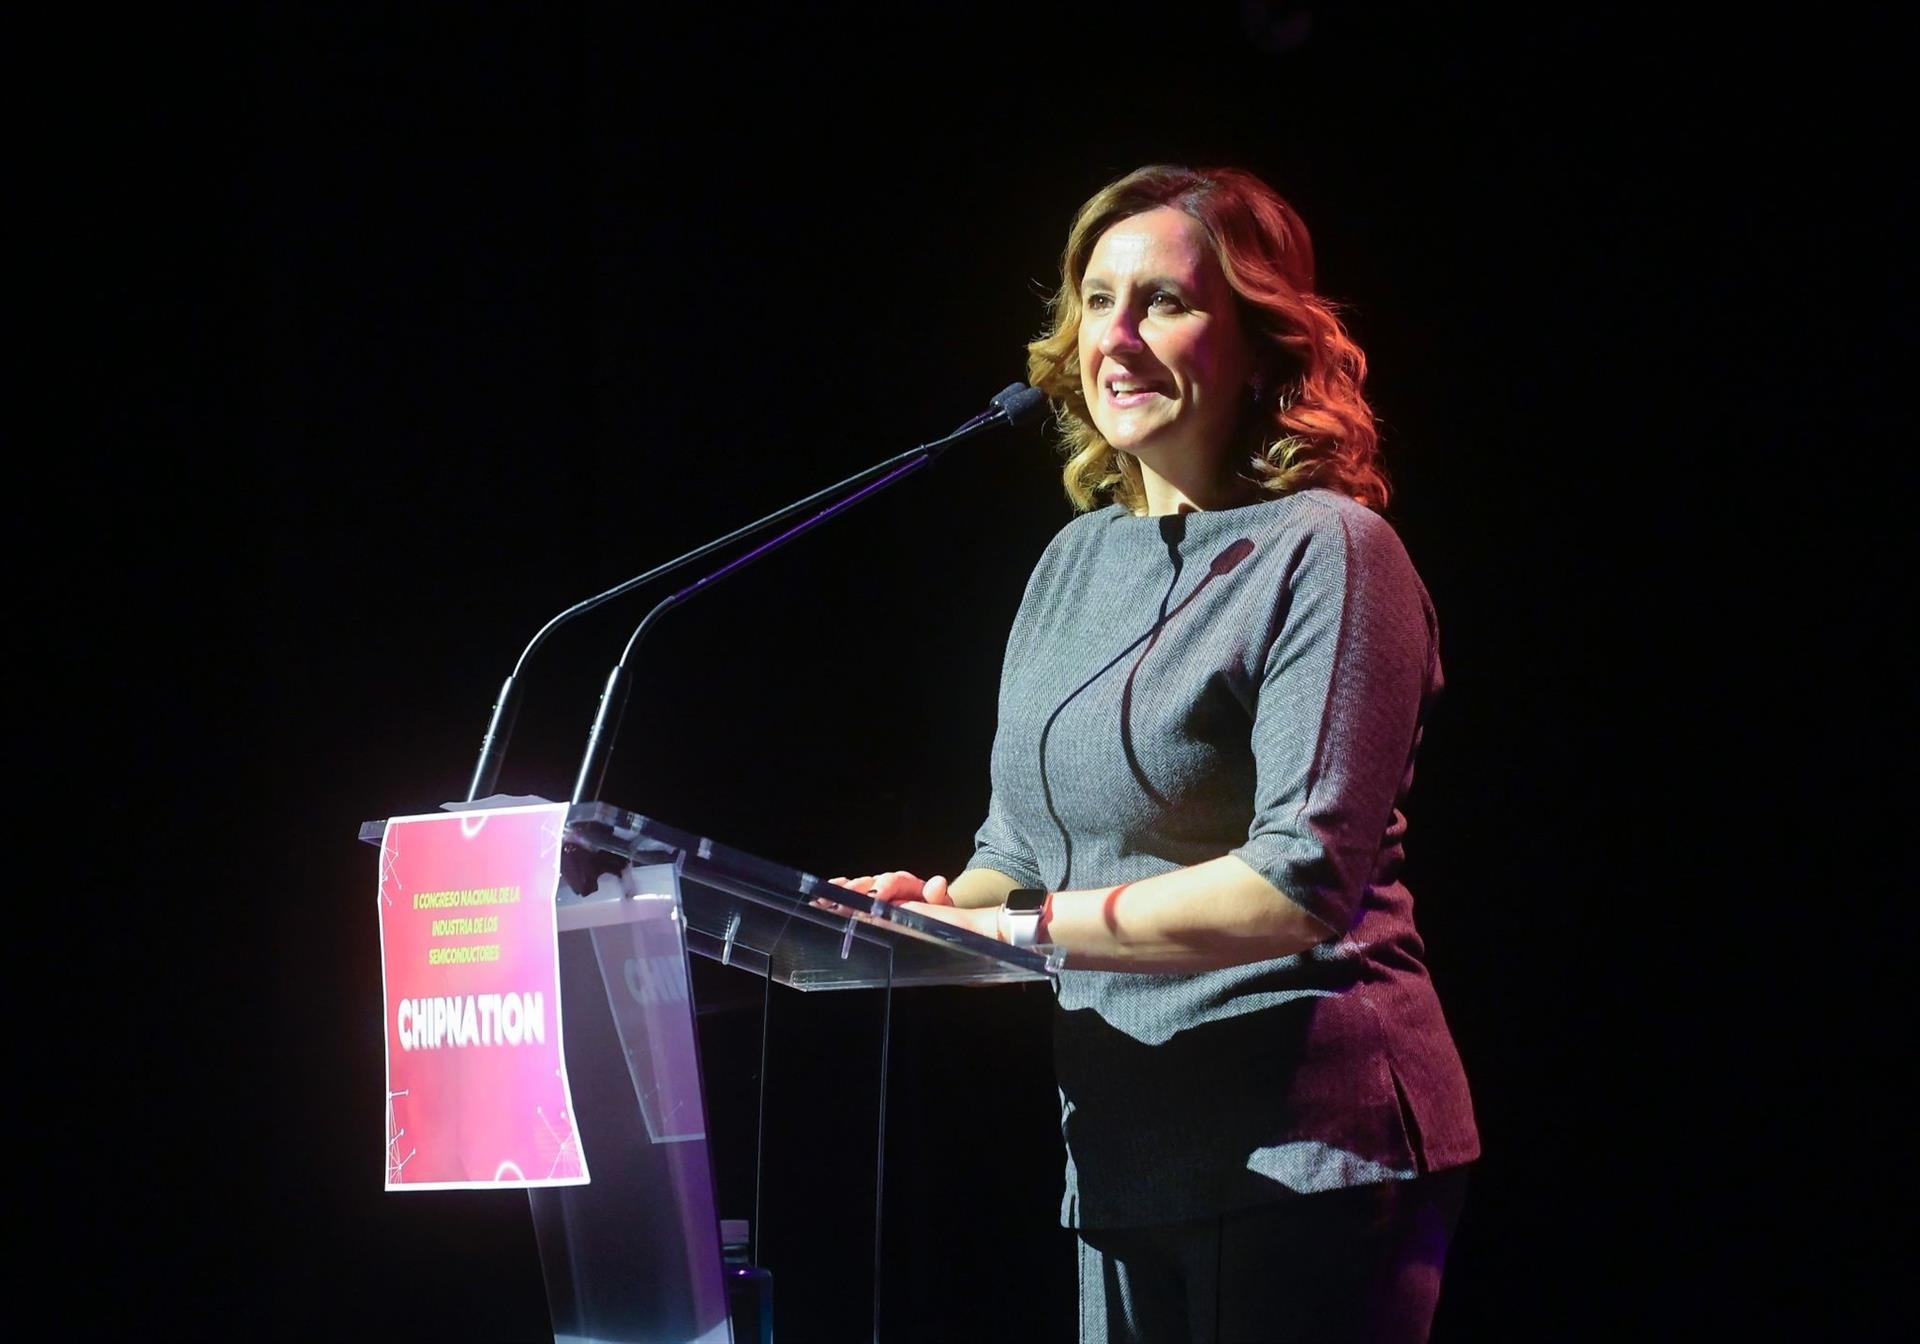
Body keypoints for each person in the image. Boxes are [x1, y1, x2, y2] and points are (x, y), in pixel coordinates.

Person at [832, 164, 1478, 1344]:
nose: (1116, 337)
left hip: (1311, 1149)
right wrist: (922, 916)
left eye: (1163, 302)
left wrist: (1022, 928)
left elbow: (1299, 883)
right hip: (1120, 1151)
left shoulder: (1331, 552)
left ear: (1261, 345)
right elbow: (1016, 854)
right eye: (1097, 301)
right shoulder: (1072, 564)